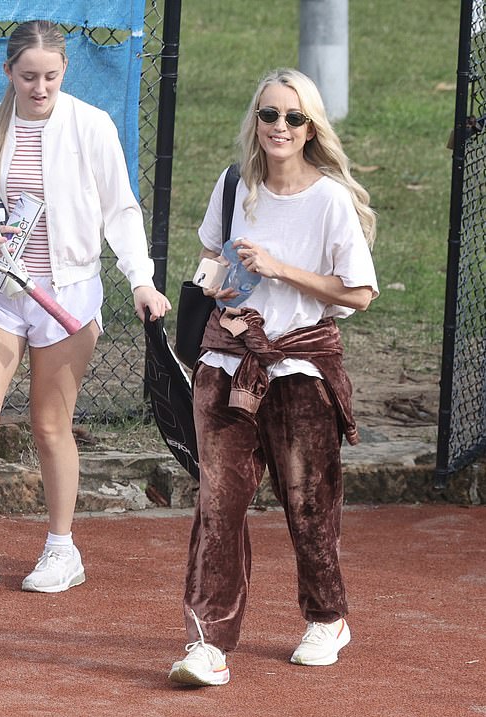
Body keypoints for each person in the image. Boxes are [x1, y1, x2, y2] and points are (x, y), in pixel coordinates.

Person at [0, 20, 170, 596]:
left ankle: (61, 550)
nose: (39, 87)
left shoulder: (91, 126)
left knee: (49, 426)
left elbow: (121, 210)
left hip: (68, 295)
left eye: (50, 76)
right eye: (28, 77)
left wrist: (140, 280)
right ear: (8, 73)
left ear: (64, 72)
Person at [168, 68, 378, 686]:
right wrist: (214, 283)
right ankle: (207, 643)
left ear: (311, 127)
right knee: (218, 506)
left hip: (301, 369)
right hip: (228, 364)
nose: (279, 128)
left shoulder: (330, 200)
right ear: (254, 120)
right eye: (269, 115)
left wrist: (281, 269)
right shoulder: (234, 185)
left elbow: (359, 293)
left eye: (293, 117)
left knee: (309, 506)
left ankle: (326, 618)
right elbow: (212, 257)